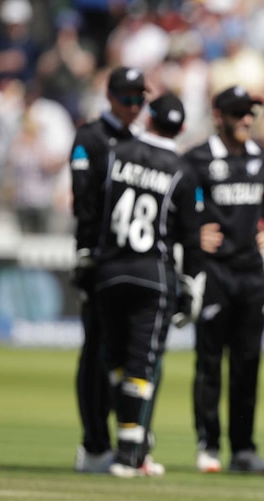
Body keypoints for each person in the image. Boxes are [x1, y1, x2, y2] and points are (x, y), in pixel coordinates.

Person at [75, 92, 205, 477]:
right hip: (154, 276)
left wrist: (85, 257)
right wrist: (192, 285)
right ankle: (131, 453)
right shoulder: (183, 170)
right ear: (181, 128)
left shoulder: (115, 154)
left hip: (110, 271)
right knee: (141, 365)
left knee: (114, 360)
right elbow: (192, 239)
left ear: (148, 118)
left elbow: (89, 208)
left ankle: (127, 447)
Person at [182, 85, 264, 474]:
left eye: (251, 113)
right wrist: (193, 235)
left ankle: (242, 449)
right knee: (210, 362)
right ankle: (208, 444)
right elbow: (175, 204)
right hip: (214, 273)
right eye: (239, 112)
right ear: (219, 116)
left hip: (250, 272)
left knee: (248, 363)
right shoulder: (197, 158)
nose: (246, 119)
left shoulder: (260, 156)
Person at [70, 66, 147, 473]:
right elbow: (84, 202)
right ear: (111, 97)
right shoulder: (90, 138)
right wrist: (84, 253)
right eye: (128, 98)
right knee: (97, 353)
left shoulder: (142, 141)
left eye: (140, 99)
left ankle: (132, 440)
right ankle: (95, 442)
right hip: (102, 260)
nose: (135, 106)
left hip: (137, 263)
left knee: (132, 356)